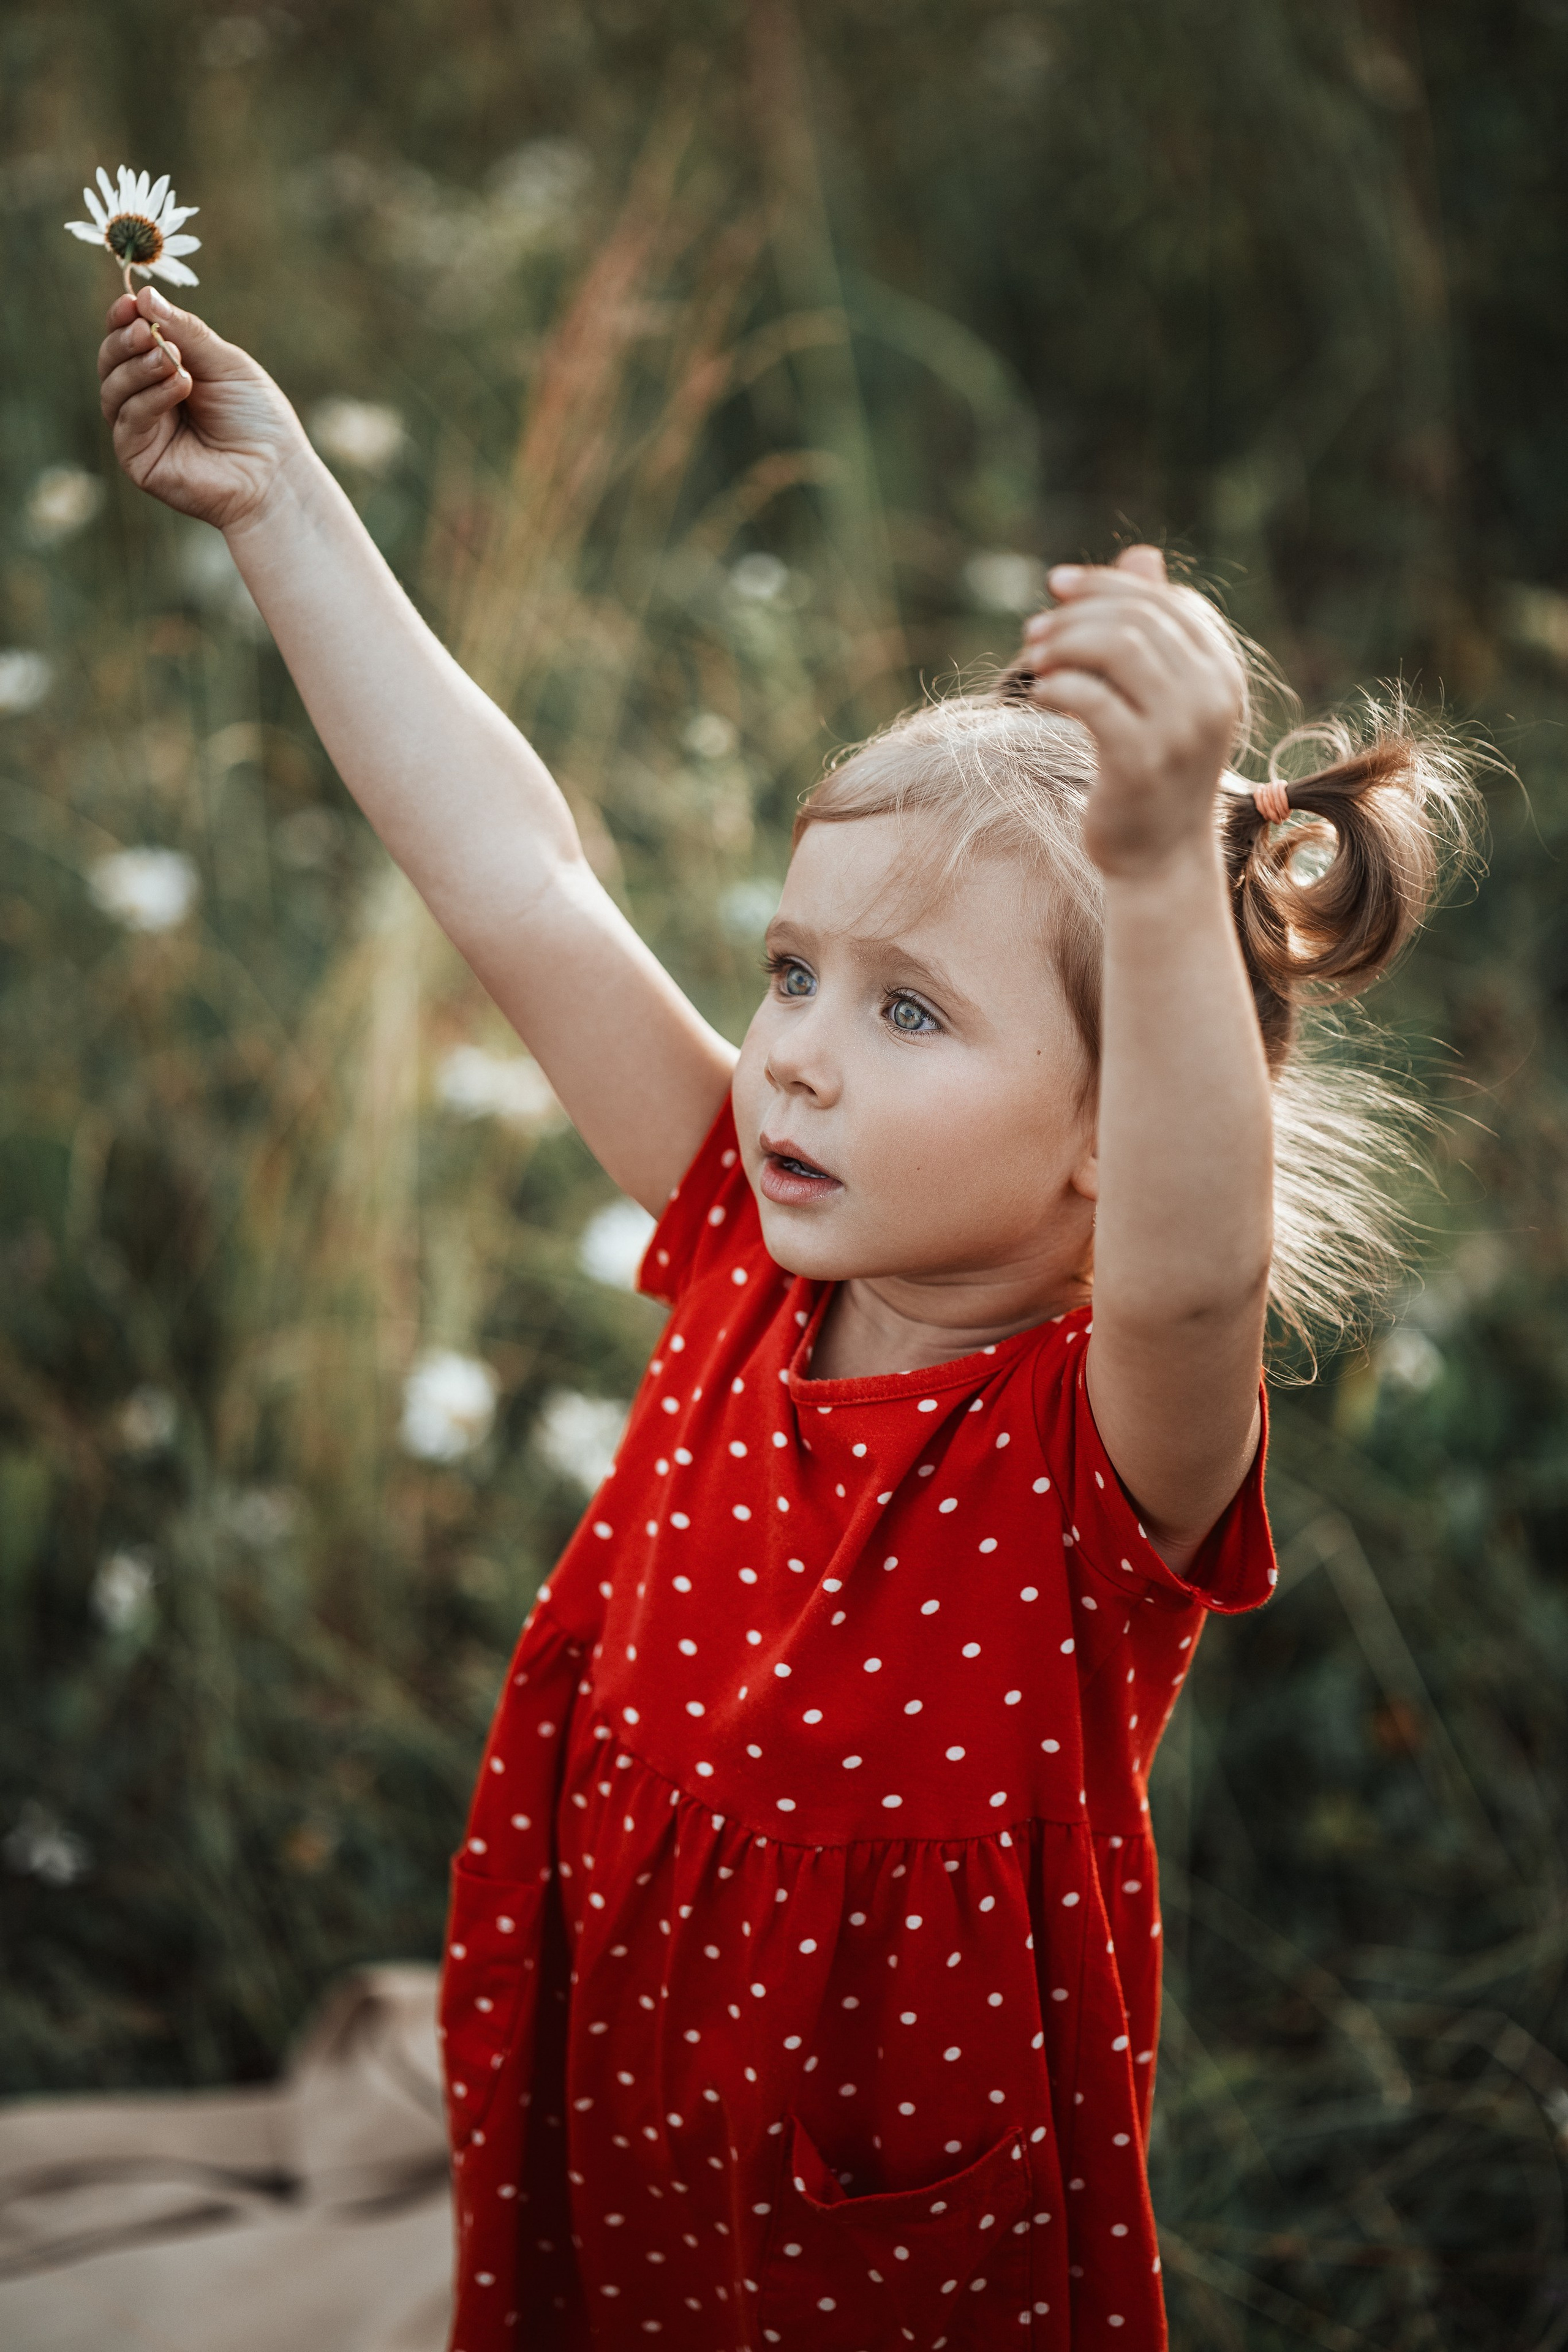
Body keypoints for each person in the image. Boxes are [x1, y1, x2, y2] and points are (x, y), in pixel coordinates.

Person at [97, 282, 1475, 2351]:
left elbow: (1201, 1255)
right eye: (794, 971)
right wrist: (283, 506)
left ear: (1112, 1135)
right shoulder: (751, 1242)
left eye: (910, 1008)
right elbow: (519, 873)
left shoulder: (1101, 1457)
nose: (801, 1057)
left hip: (888, 2194)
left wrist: (1159, 871)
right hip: (622, 2055)